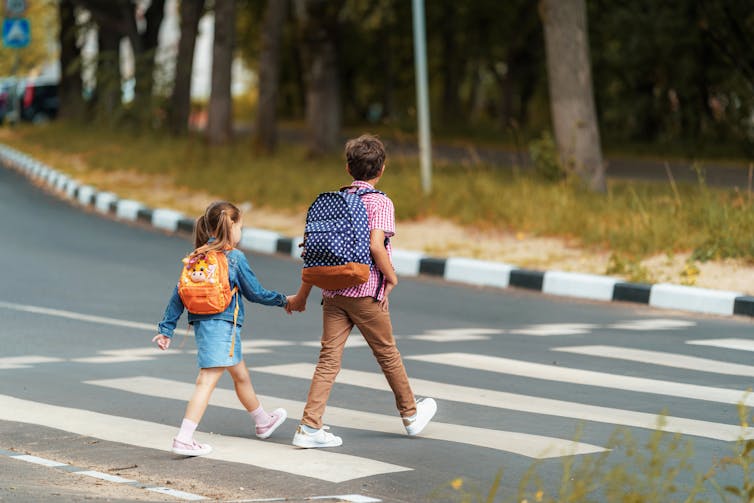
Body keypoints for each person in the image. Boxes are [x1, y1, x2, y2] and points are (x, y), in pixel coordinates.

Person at [286, 134, 437, 448]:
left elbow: (316, 253)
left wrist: (303, 294)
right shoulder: (380, 202)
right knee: (388, 354)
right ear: (382, 168)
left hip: (333, 292)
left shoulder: (334, 200)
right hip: (367, 292)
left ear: (347, 168)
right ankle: (411, 415)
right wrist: (391, 277)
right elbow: (375, 245)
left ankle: (309, 427)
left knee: (328, 360)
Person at [153, 201, 292, 456]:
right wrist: (285, 300)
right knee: (205, 381)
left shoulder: (197, 255)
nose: (241, 232)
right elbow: (256, 293)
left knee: (241, 376)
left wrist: (167, 328)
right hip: (223, 325)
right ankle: (184, 438)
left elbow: (179, 294)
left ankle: (263, 421)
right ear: (232, 226)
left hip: (206, 325)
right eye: (241, 226)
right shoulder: (234, 257)